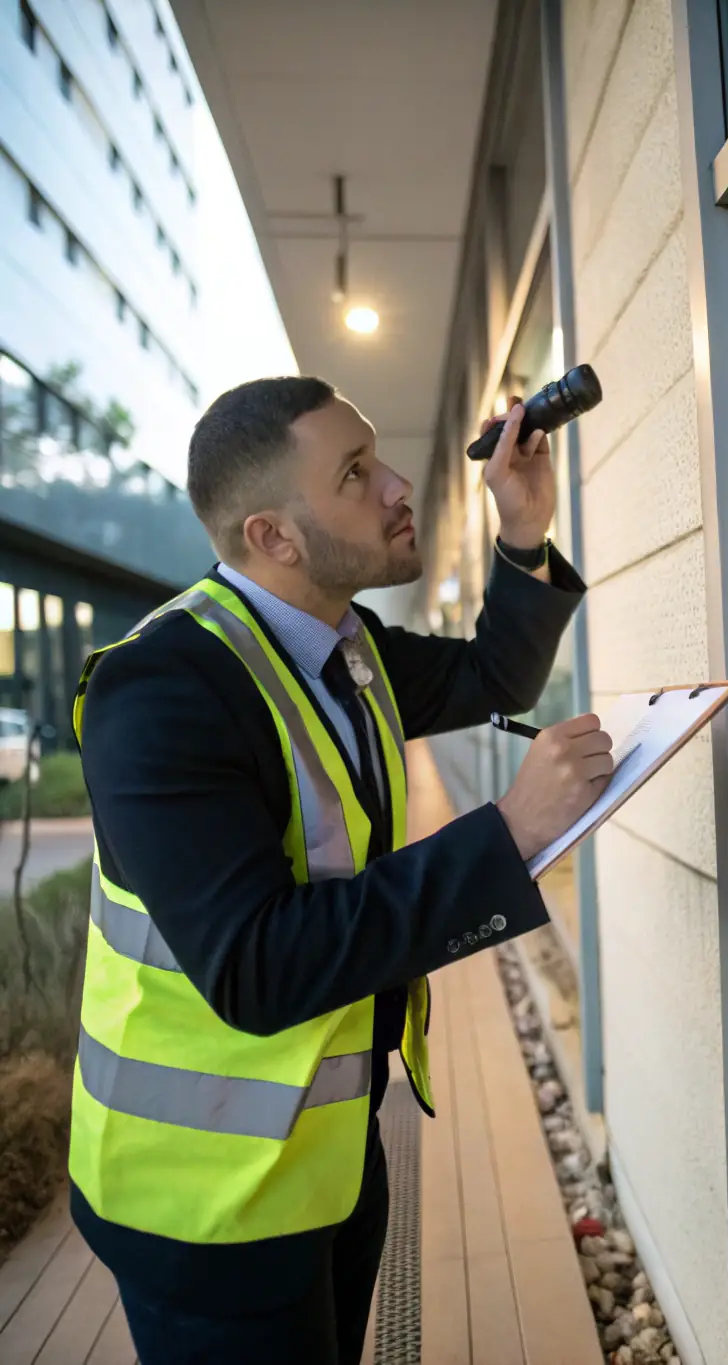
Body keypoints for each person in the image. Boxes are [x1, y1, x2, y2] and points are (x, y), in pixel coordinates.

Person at [71, 376, 613, 1364]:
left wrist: (522, 529)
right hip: (202, 1203)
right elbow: (256, 965)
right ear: (274, 537)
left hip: (325, 1155)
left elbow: (492, 678)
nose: (399, 484)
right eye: (357, 473)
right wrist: (506, 832)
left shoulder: (344, 645)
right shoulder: (157, 689)